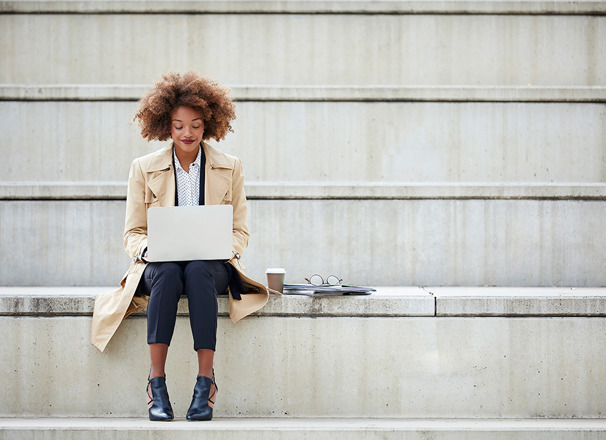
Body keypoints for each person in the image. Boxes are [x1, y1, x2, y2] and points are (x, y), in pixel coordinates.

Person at [90, 71, 272, 421]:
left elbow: (241, 232)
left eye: (195, 124)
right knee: (170, 271)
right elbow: (133, 233)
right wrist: (150, 250)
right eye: (178, 126)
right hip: (159, 266)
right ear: (165, 127)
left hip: (212, 265)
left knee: (199, 269)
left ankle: (206, 382)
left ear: (209, 124)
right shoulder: (143, 168)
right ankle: (156, 382)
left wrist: (223, 246)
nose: (187, 133)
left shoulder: (230, 167)